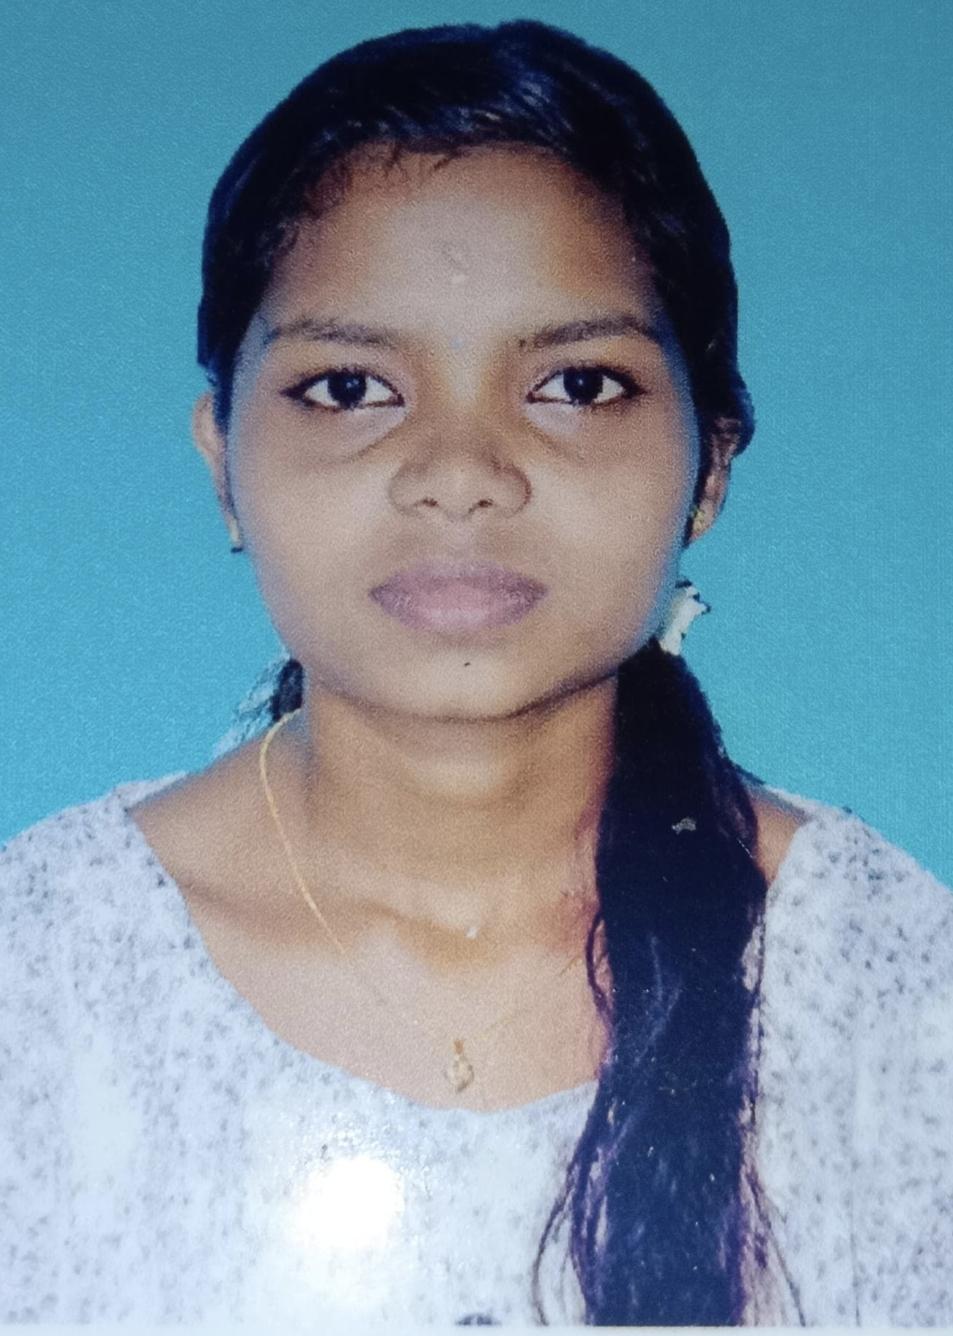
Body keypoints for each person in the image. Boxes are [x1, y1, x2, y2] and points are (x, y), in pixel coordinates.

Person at [1, 19, 950, 1328]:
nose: (460, 472)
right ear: (223, 461)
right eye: (349, 387)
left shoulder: (892, 987)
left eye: (576, 384)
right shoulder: (40, 972)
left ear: (710, 464)